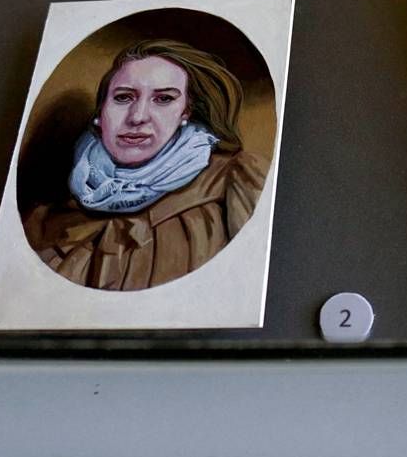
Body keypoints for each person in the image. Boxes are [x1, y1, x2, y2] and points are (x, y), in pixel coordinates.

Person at [24, 39, 268, 291]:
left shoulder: (234, 179)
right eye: (123, 97)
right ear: (101, 111)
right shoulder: (45, 220)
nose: (137, 117)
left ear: (186, 112)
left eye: (163, 99)